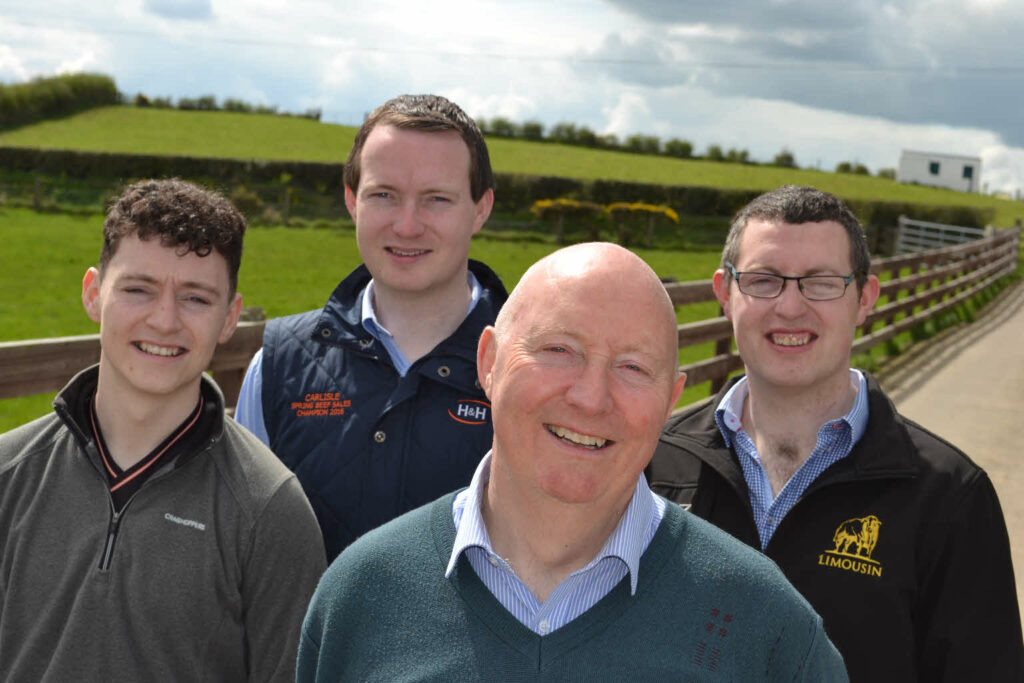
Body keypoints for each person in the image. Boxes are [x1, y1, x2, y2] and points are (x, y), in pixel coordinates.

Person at [297, 242, 848, 681]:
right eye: (559, 350)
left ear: (670, 401)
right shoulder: (363, 593)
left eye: (633, 368)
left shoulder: (763, 624)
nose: (590, 398)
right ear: (488, 362)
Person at [646, 185, 1024, 682]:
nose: (789, 307)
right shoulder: (655, 462)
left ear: (864, 299)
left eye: (821, 283)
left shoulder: (950, 496)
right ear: (725, 293)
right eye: (763, 281)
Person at [0, 179, 326, 682]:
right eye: (138, 289)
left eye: (196, 298)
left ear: (229, 318)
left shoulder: (269, 509)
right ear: (93, 294)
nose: (165, 320)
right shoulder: (9, 473)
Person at [235, 94, 508, 561]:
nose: (407, 226)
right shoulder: (276, 367)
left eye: (437, 199)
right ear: (351, 201)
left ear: (480, 209)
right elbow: (242, 551)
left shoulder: (530, 368)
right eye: (384, 195)